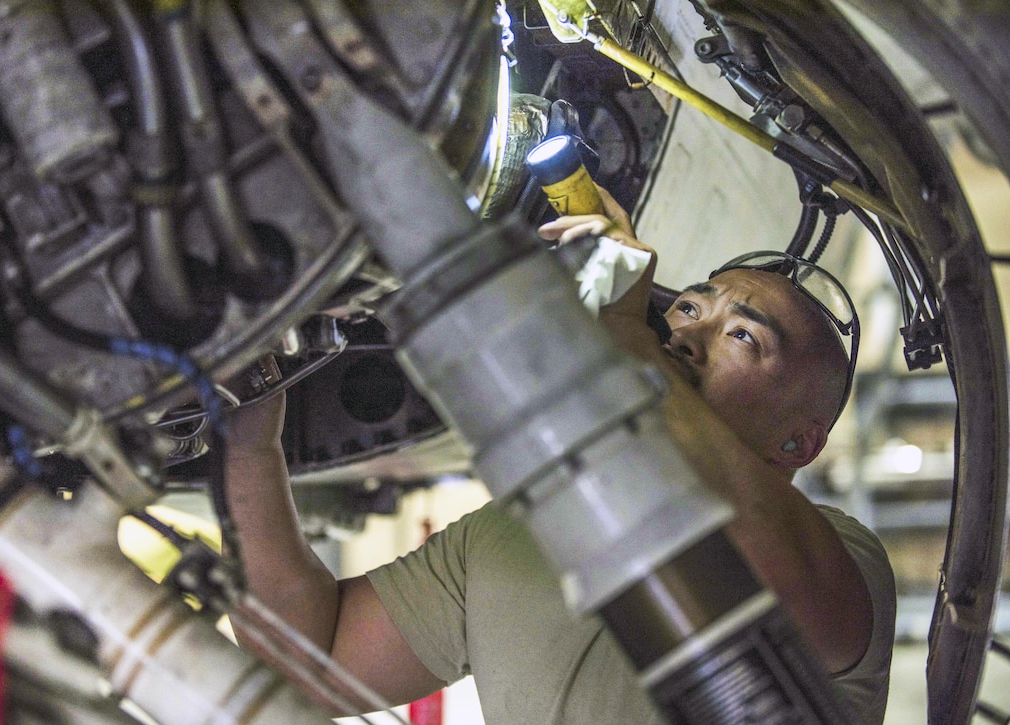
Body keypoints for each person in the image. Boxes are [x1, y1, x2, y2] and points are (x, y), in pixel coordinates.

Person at [223, 188, 896, 724]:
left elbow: (740, 543)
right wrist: (251, 445)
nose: (690, 331)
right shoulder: (517, 530)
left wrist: (620, 329)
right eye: (691, 306)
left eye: (743, 336)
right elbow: (310, 659)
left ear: (798, 443)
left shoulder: (846, 559)